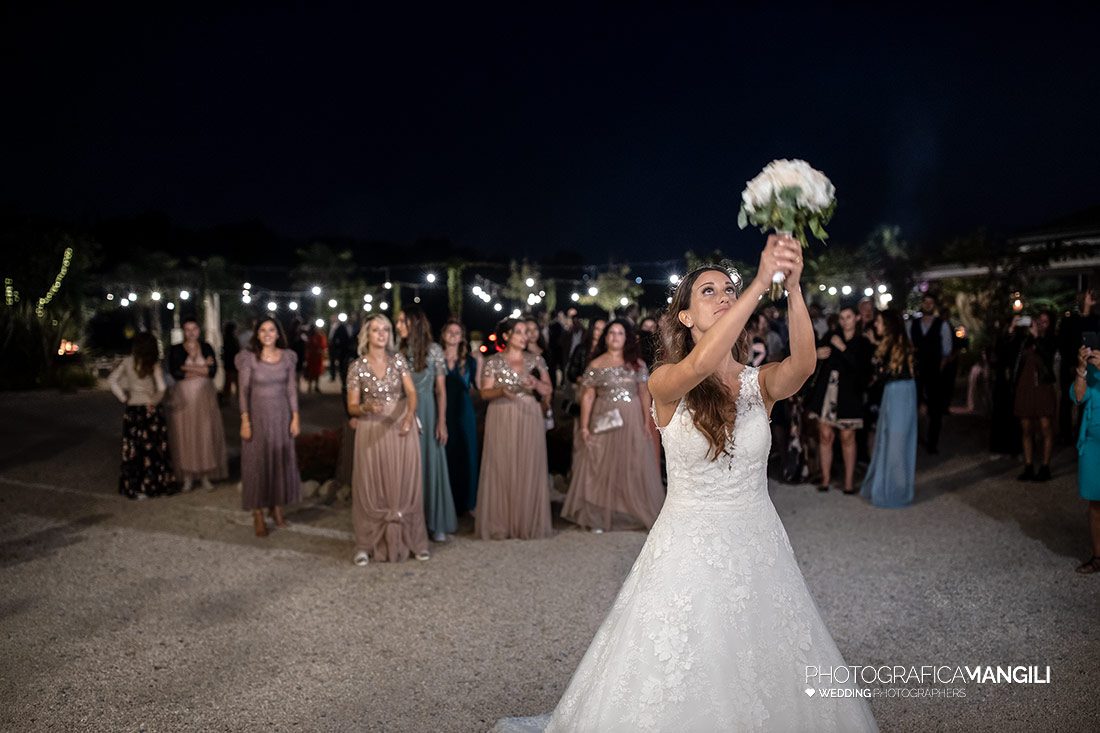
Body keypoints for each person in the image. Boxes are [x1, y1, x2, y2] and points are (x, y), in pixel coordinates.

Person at [495, 237, 877, 731]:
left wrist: (794, 287)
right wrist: (759, 283)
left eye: (729, 290)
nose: (723, 297)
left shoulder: (757, 383)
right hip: (686, 545)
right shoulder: (665, 381)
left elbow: (803, 366)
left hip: (758, 539)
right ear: (685, 317)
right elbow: (699, 366)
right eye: (709, 292)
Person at [563, 319, 664, 532]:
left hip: (632, 418)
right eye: (611, 333)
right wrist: (584, 426)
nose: (615, 337)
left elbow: (644, 393)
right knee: (599, 461)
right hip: (603, 417)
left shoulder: (636, 364)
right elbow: (588, 397)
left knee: (631, 461)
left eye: (620, 333)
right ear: (605, 337)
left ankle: (629, 511)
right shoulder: (595, 364)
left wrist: (646, 421)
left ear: (626, 338)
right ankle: (599, 514)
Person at [346, 314, 430, 565]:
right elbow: (352, 406)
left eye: (385, 329)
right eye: (376, 330)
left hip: (400, 425)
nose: (382, 334)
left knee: (403, 482)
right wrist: (365, 408)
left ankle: (412, 540)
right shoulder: (357, 367)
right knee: (371, 483)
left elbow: (411, 393)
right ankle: (366, 544)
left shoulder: (398, 360)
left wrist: (409, 416)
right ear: (367, 335)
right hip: (372, 428)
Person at [476, 317, 553, 540]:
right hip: (502, 413)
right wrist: (501, 391)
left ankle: (527, 522)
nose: (524, 336)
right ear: (506, 335)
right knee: (502, 464)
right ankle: (501, 522)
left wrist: (536, 384)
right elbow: (484, 392)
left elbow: (548, 389)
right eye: (519, 332)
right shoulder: (493, 361)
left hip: (529, 413)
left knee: (529, 463)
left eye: (525, 332)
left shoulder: (536, 360)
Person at [235, 318, 301, 538]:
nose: (267, 334)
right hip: (257, 419)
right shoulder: (249, 359)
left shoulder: (288, 357)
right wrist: (245, 420)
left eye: (271, 330)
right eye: (262, 330)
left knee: (280, 463)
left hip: (281, 418)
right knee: (256, 464)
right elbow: (243, 392)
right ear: (257, 334)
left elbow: (291, 389)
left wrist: (295, 417)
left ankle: (277, 507)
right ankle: (258, 513)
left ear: (278, 333)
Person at [396, 307, 457, 543]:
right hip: (403, 412)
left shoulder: (434, 351)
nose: (398, 326)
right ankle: (409, 522)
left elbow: (440, 391)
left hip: (429, 412)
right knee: (406, 466)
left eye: (402, 321)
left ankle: (435, 521)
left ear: (414, 323)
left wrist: (442, 422)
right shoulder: (397, 351)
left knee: (431, 462)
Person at [807, 305, 871, 493]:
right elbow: (816, 354)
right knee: (825, 435)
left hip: (849, 395)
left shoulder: (862, 341)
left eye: (848, 317)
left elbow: (862, 370)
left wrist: (843, 348)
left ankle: (849, 482)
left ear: (857, 318)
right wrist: (817, 354)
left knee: (847, 437)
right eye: (842, 318)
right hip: (828, 391)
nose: (844, 321)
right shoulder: (831, 335)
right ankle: (825, 479)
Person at [861, 309, 917, 508]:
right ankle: (889, 486)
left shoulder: (899, 344)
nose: (876, 325)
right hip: (893, 393)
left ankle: (895, 489)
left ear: (888, 324)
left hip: (901, 393)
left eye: (879, 322)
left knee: (896, 440)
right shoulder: (889, 343)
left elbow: (889, 371)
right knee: (887, 438)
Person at [109, 332, 174, 499]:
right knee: (154, 450)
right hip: (151, 411)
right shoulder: (153, 364)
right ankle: (155, 485)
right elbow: (162, 388)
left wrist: (123, 397)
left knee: (134, 449)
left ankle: (134, 487)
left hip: (133, 411)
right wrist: (154, 401)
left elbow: (112, 380)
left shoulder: (127, 362)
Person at [167, 317, 227, 491]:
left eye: (194, 328)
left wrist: (187, 368)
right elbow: (175, 372)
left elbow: (212, 371)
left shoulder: (206, 347)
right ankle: (188, 476)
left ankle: (205, 475)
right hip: (184, 399)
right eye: (188, 329)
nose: (191, 332)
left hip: (205, 399)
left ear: (199, 330)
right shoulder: (176, 349)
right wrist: (201, 369)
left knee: (205, 434)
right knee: (185, 435)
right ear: (183, 331)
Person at [441, 319, 481, 516]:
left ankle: (467, 501)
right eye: (450, 331)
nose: (453, 335)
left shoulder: (471, 361)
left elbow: (479, 388)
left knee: (466, 451)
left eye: (457, 332)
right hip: (442, 409)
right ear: (443, 335)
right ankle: (446, 501)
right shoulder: (436, 358)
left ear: (462, 337)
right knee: (445, 452)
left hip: (464, 411)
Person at [1014, 311, 1058, 481]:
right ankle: (1028, 465)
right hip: (1025, 387)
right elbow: (1012, 354)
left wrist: (1037, 337)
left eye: (1045, 321)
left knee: (1046, 427)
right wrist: (1012, 329)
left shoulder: (1050, 340)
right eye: (1039, 320)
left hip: (1043, 387)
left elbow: (1047, 356)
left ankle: (1045, 467)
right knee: (1026, 428)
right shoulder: (1026, 340)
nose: (1041, 324)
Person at [1070, 345, 1100, 574]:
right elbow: (1079, 397)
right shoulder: (1092, 371)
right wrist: (1082, 368)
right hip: (1092, 443)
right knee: (1095, 502)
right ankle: (1098, 556)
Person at [910, 294, 951, 454]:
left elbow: (946, 351)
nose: (928, 305)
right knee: (913, 406)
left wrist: (939, 369)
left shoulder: (942, 325)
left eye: (931, 302)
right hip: (917, 372)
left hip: (934, 372)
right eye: (925, 302)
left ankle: (932, 443)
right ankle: (914, 439)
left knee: (935, 410)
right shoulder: (912, 324)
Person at [304, 322, 327, 393]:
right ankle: (312, 386)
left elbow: (323, 346)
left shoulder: (318, 336)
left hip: (315, 356)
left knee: (315, 371)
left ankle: (313, 386)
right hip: (313, 356)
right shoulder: (313, 336)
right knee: (313, 371)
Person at [221, 321, 240, 404]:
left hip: (228, 364)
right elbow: (236, 352)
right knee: (236, 382)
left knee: (228, 382)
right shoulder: (233, 340)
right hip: (233, 364)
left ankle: (227, 398)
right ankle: (236, 398)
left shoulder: (226, 339)